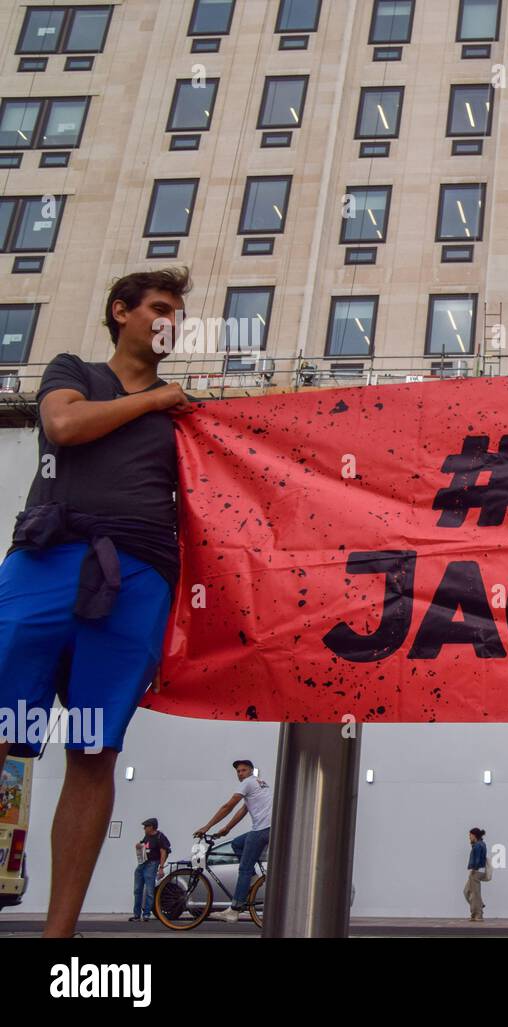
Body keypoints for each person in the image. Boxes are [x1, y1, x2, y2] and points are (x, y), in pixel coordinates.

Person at [0, 267, 193, 937]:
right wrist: (154, 401)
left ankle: (59, 936)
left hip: (136, 582)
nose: (170, 321)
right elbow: (64, 425)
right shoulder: (74, 370)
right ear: (121, 311)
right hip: (47, 562)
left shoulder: (184, 418)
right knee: (3, 727)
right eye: (160, 308)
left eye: (178, 313)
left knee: (91, 749)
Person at [195, 759, 273, 922]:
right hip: (269, 828)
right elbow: (244, 810)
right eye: (238, 771)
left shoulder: (247, 783)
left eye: (243, 770)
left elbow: (228, 806)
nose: (240, 774)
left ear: (251, 771)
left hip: (262, 829)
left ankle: (234, 909)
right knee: (237, 843)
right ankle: (251, 877)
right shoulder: (261, 783)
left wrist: (207, 826)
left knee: (243, 868)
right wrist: (227, 828)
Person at [130, 818, 169, 922]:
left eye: (146, 826)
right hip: (142, 863)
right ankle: (136, 915)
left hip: (152, 863)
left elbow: (164, 852)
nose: (144, 828)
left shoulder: (160, 837)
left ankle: (146, 914)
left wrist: (161, 867)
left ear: (151, 827)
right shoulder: (147, 836)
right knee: (137, 890)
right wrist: (139, 845)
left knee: (149, 891)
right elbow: (143, 844)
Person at [465, 828, 487, 921]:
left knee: (475, 893)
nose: (469, 837)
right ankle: (480, 904)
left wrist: (474, 869)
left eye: (470, 835)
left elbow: (477, 859)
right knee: (466, 891)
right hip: (478, 870)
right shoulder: (481, 843)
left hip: (476, 871)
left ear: (474, 835)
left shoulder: (478, 845)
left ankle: (478, 915)